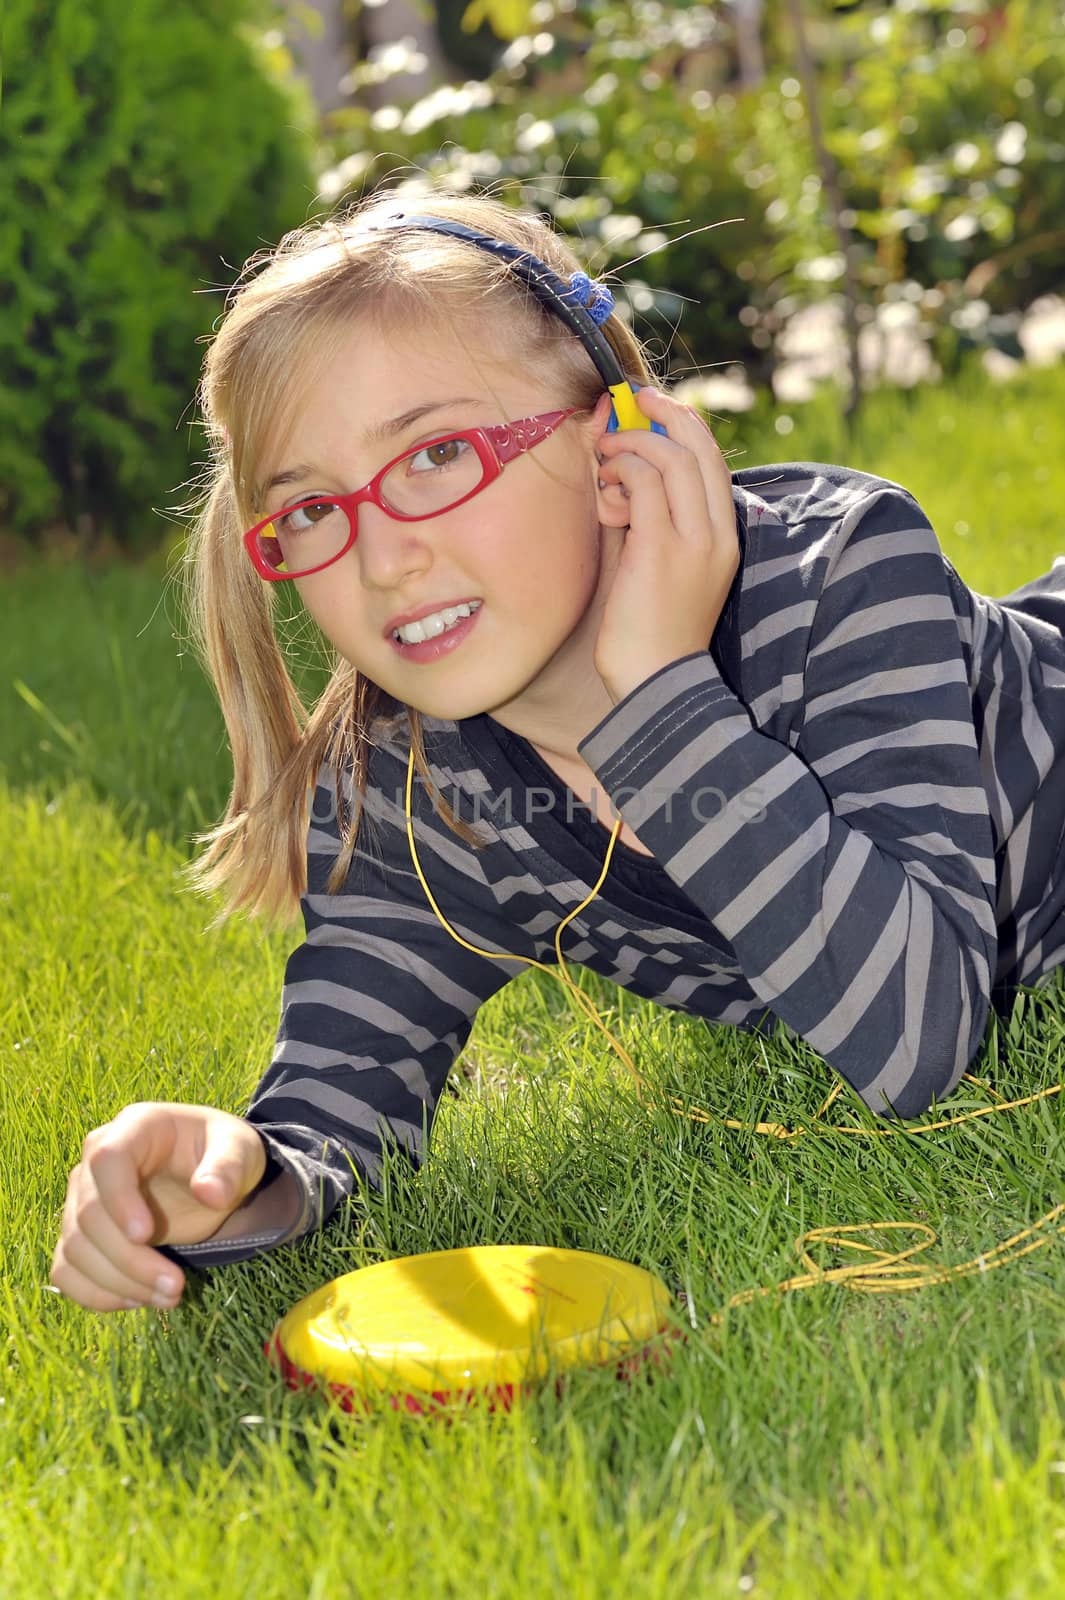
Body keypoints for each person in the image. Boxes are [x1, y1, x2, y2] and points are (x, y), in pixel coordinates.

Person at [50, 189, 1065, 1316]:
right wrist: (235, 1175)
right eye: (313, 511)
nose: (384, 558)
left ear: (616, 443)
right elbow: (339, 1102)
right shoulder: (410, 786)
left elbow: (918, 1032)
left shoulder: (840, 580)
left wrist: (663, 697)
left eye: (436, 453)